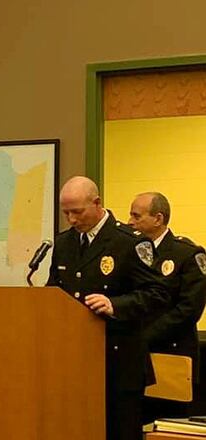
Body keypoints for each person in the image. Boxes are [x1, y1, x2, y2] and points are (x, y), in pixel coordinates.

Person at [46, 176, 167, 440]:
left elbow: (157, 294)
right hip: (75, 361)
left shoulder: (129, 241)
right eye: (66, 213)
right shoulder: (65, 243)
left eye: (77, 212)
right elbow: (54, 290)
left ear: (97, 203)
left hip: (118, 362)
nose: (72, 220)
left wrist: (115, 305)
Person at [127, 192, 206, 422]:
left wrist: (145, 336)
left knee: (167, 422)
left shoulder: (187, 254)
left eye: (136, 216)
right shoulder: (132, 252)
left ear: (158, 218)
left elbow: (188, 309)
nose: (130, 221)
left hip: (170, 354)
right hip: (136, 358)